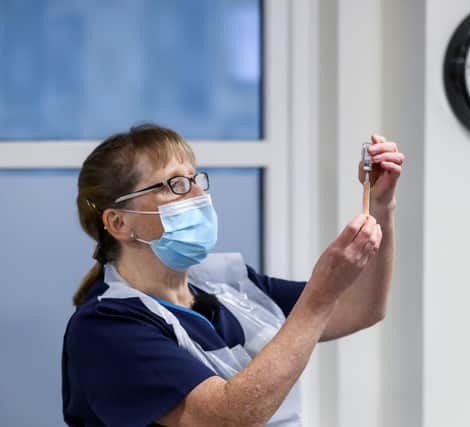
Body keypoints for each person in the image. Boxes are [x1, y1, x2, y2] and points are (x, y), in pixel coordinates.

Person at [62, 124, 404, 427]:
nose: (199, 194)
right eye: (175, 185)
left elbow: (361, 308)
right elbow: (226, 418)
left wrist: (380, 205)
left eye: (196, 179)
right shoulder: (106, 327)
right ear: (119, 223)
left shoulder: (225, 285)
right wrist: (321, 294)